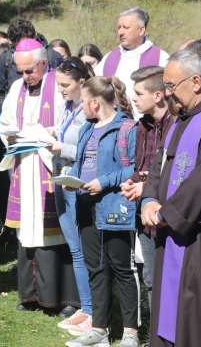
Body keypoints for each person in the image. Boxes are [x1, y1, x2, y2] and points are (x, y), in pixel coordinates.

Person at [0, 39, 80, 314]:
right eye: (20, 71)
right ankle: (30, 296)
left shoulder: (58, 87)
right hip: (24, 167)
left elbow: (67, 123)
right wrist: (13, 135)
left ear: (44, 63)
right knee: (27, 233)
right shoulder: (15, 89)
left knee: (56, 231)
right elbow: (5, 123)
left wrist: (46, 135)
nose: (25, 77)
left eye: (29, 70)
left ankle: (65, 298)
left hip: (50, 165)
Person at [65, 76, 139, 347]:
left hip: (114, 208)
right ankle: (100, 330)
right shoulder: (87, 127)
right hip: (85, 209)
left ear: (95, 102)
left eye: (82, 101)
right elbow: (80, 162)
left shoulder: (128, 129)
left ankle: (130, 332)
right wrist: (72, 180)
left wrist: (104, 182)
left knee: (121, 269)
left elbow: (135, 168)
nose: (80, 107)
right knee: (95, 268)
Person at [140, 49, 201, 347]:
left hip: (194, 239)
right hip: (168, 236)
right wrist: (149, 200)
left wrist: (168, 214)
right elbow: (158, 166)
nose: (165, 94)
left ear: (196, 82)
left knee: (190, 315)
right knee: (167, 309)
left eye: (171, 86)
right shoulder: (180, 120)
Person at [118, 67, 174, 347]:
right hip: (145, 216)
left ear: (159, 94)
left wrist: (148, 188)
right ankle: (157, 337)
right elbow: (141, 168)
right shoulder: (142, 126)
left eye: (139, 93)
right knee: (151, 277)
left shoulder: (178, 125)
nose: (133, 98)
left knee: (173, 281)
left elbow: (177, 175)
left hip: (171, 215)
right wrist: (132, 183)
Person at [45, 57, 93, 335]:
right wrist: (53, 133)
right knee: (74, 249)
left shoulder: (89, 111)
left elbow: (90, 153)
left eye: (65, 85)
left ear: (82, 83)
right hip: (61, 181)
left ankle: (92, 310)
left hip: (78, 185)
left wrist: (60, 146)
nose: (60, 90)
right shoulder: (68, 107)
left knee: (84, 251)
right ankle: (85, 307)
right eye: (59, 85)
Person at [94, 7, 169, 120]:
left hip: (149, 127)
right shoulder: (108, 59)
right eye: (119, 28)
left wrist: (131, 105)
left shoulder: (161, 59)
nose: (120, 32)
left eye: (126, 27)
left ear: (141, 30)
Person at [0, 18, 62, 108]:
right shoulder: (6, 60)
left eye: (29, 70)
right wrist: (9, 109)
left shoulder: (54, 58)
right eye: (17, 46)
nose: (23, 49)